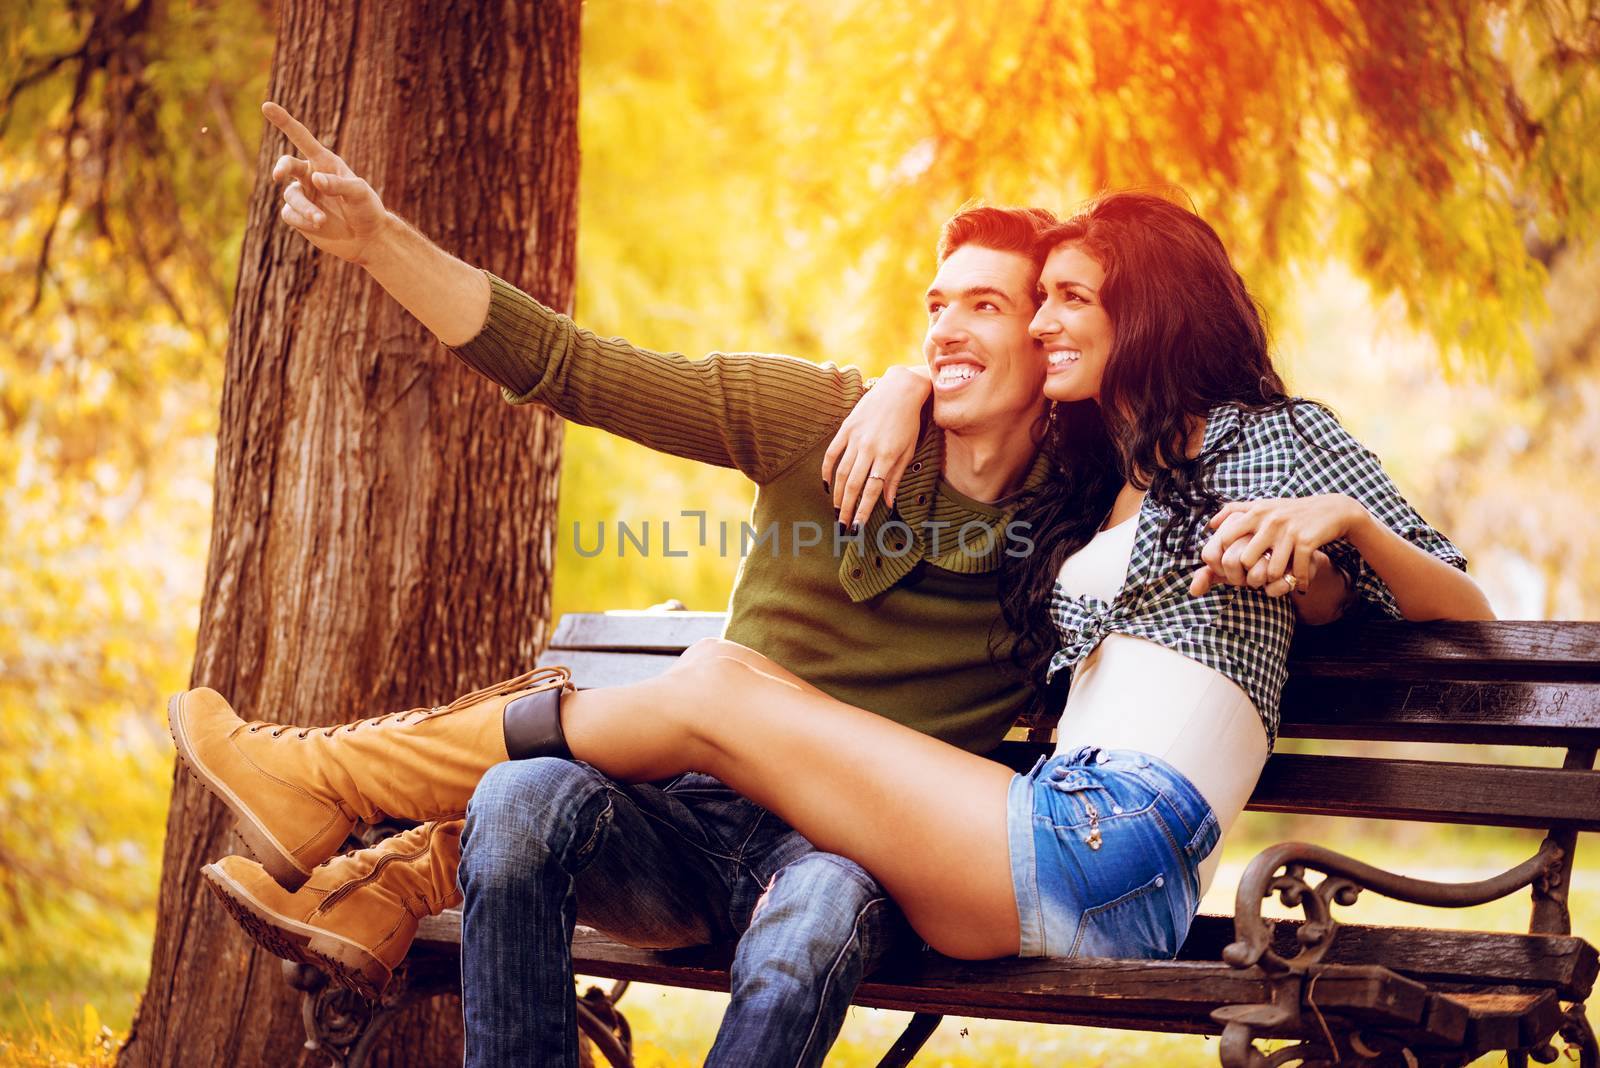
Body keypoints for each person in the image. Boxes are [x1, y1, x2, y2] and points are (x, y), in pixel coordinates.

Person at [175, 101, 1080, 1068]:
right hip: (683, 823)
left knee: (817, 908)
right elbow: (577, 368)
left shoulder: (1081, 517)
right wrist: (379, 242)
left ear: (1050, 339)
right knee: (521, 801)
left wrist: (1274, 519)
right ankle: (333, 791)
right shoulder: (816, 419)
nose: (945, 330)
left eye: (985, 306)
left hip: (854, 861)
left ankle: (339, 798)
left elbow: (1200, 439)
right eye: (936, 307)